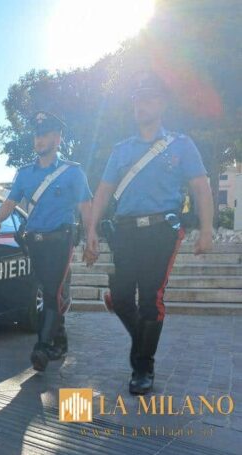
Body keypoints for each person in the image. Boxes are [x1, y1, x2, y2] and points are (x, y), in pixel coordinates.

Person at [85, 71, 214, 395]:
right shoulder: (122, 150)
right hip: (125, 232)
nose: (140, 106)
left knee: (150, 299)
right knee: (121, 298)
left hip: (162, 231)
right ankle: (144, 343)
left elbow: (201, 187)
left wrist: (206, 229)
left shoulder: (181, 145)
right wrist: (91, 230)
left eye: (148, 99)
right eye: (137, 100)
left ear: (162, 104)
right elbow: (103, 191)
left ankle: (143, 367)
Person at [0, 111, 93, 372]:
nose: (39, 139)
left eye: (45, 134)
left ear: (57, 139)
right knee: (49, 290)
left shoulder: (72, 172)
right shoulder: (25, 174)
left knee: (52, 291)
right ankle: (61, 341)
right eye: (36, 135)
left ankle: (42, 348)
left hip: (61, 240)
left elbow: (85, 206)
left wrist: (92, 235)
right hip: (35, 242)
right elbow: (11, 201)